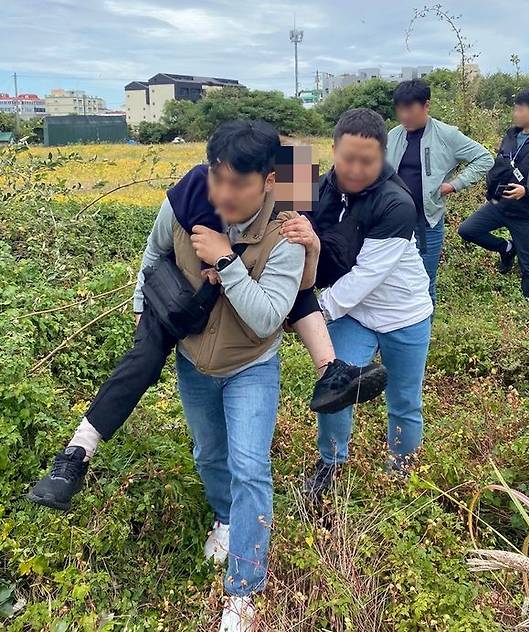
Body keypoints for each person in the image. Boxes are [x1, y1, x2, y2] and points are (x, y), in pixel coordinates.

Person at [28, 128, 386, 518]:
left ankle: (329, 369)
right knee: (145, 359)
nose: (225, 192)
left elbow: (298, 287)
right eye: (220, 178)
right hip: (181, 302)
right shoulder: (195, 187)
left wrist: (306, 247)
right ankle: (77, 452)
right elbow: (154, 250)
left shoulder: (292, 182)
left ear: (271, 178)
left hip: (249, 317)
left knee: (290, 264)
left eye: (239, 182)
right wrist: (139, 307)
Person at [292, 108, 434, 499]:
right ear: (333, 150)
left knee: (404, 399)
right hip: (353, 316)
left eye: (367, 161)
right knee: (334, 388)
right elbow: (279, 215)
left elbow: (366, 278)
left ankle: (401, 469)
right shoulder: (316, 185)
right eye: (347, 158)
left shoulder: (396, 202)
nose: (355, 169)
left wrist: (314, 313)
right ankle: (330, 464)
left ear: (383, 156)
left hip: (403, 314)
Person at [387, 79, 493, 305]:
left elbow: (484, 158)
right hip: (393, 223)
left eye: (410, 109)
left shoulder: (447, 135)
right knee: (393, 280)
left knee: (425, 281)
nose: (404, 116)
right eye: (400, 110)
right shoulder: (393, 136)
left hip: (427, 223)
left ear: (426, 106)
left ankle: (423, 335)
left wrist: (454, 184)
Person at [458, 89, 529, 300]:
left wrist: (526, 190)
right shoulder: (511, 134)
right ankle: (506, 248)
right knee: (467, 230)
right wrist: (491, 189)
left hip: (525, 213)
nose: (515, 113)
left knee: (528, 264)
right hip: (499, 204)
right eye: (515, 108)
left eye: (519, 109)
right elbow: (500, 164)